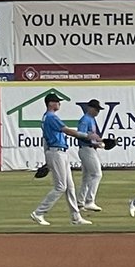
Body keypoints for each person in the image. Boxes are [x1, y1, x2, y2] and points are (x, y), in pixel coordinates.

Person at [30, 92, 98, 227]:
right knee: (61, 187)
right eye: (57, 101)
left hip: (58, 152)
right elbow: (67, 130)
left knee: (70, 187)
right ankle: (39, 212)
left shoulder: (47, 117)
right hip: (56, 152)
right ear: (50, 103)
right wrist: (87, 136)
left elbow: (45, 140)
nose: (59, 104)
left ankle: (76, 217)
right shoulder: (51, 117)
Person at [75, 99, 105, 212]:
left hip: (89, 148)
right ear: (90, 108)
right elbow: (81, 134)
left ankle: (80, 202)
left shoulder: (91, 119)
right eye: (96, 109)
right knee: (97, 174)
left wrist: (97, 143)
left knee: (87, 177)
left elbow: (91, 136)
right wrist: (95, 142)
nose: (98, 112)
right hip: (86, 149)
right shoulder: (85, 119)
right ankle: (89, 201)